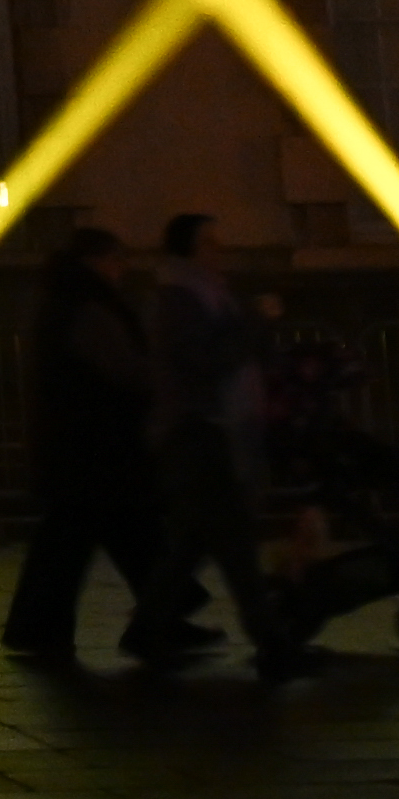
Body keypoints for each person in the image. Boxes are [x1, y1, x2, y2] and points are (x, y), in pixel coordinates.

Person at [0, 223, 206, 667]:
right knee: (116, 531)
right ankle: (157, 618)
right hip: (98, 444)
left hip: (79, 444)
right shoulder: (91, 309)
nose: (122, 268)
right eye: (116, 259)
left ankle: (48, 628)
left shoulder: (63, 304)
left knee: (88, 536)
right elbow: (126, 371)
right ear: (97, 261)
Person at [241, 301, 399, 669]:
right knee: (309, 533)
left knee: (309, 530)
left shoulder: (302, 411)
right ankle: (289, 616)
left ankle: (289, 603)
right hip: (316, 475)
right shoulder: (302, 414)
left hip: (314, 473)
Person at [137, 212, 277, 662]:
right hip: (199, 430)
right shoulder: (182, 299)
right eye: (210, 243)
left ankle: (146, 629)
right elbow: (206, 359)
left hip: (207, 429)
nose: (220, 251)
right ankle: (272, 641)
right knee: (234, 542)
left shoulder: (206, 294)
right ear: (188, 251)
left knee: (195, 541)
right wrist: (253, 322)